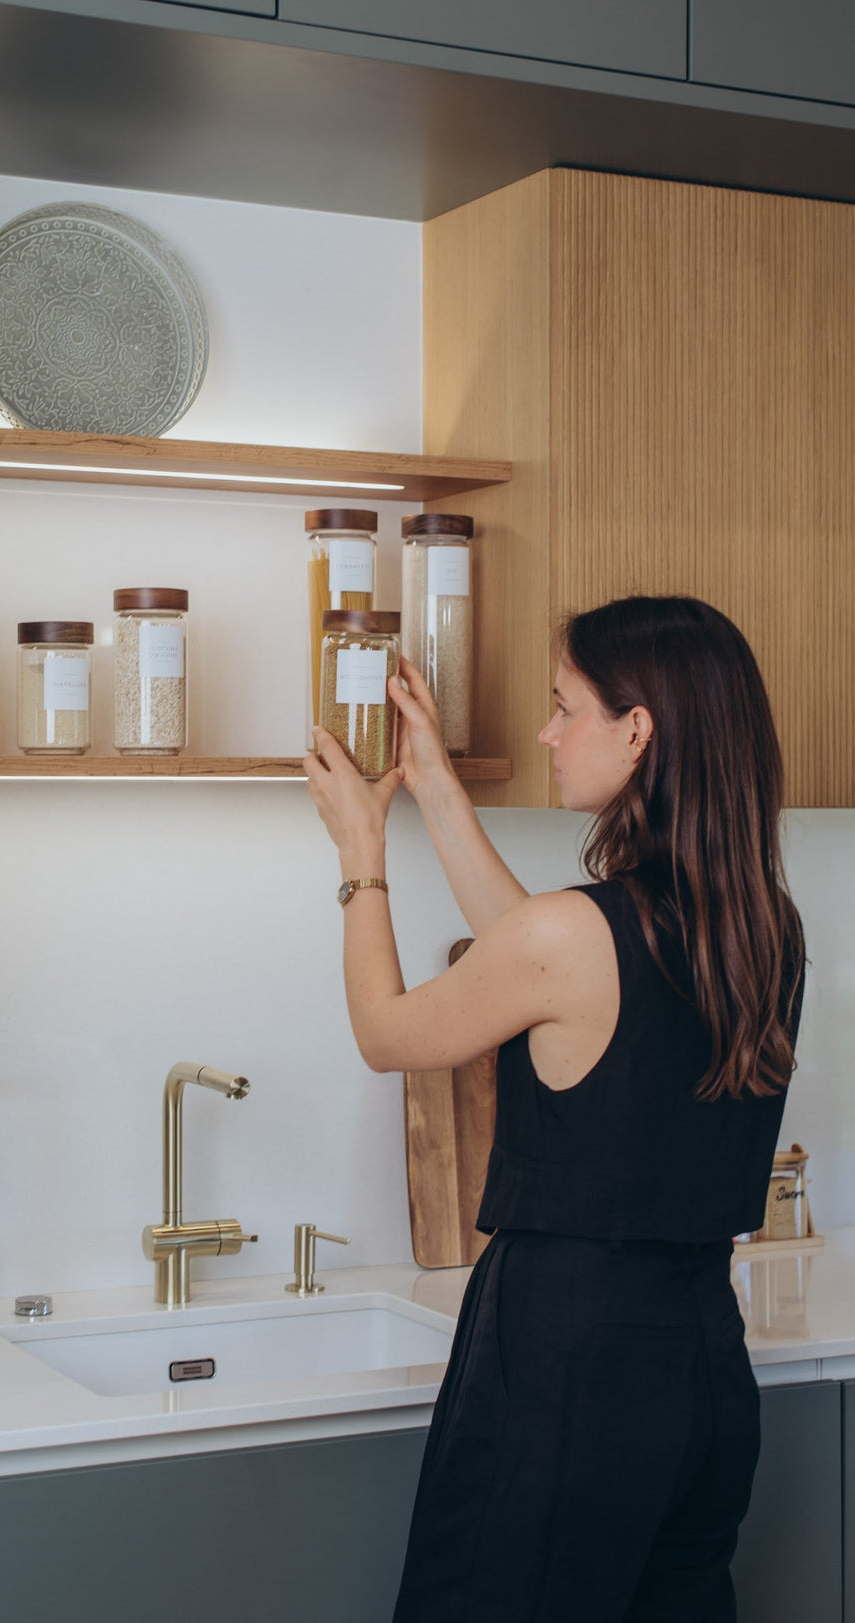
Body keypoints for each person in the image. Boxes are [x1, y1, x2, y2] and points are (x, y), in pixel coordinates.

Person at [303, 594, 805, 1623]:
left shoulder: (581, 935)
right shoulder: (758, 927)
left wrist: (361, 858)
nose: (546, 732)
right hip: (705, 1365)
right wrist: (435, 784)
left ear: (639, 729)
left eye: (563, 707)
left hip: (566, 1364)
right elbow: (539, 954)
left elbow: (387, 1035)